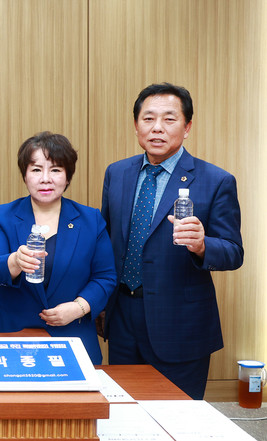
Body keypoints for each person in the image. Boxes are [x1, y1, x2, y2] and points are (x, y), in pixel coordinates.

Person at [101, 82, 244, 399]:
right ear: (136, 125)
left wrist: (202, 246)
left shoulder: (216, 180)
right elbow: (106, 241)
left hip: (180, 324)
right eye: (148, 118)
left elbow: (234, 252)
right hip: (122, 318)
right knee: (124, 417)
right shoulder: (117, 173)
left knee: (178, 416)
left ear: (187, 127)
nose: (157, 128)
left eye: (169, 119)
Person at [0, 132, 116, 364]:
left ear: (68, 176)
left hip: (72, 336)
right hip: (12, 337)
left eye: (55, 170)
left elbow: (105, 277)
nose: (45, 179)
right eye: (36, 170)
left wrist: (78, 308)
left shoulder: (90, 220)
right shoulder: (3, 216)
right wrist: (15, 261)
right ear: (25, 175)